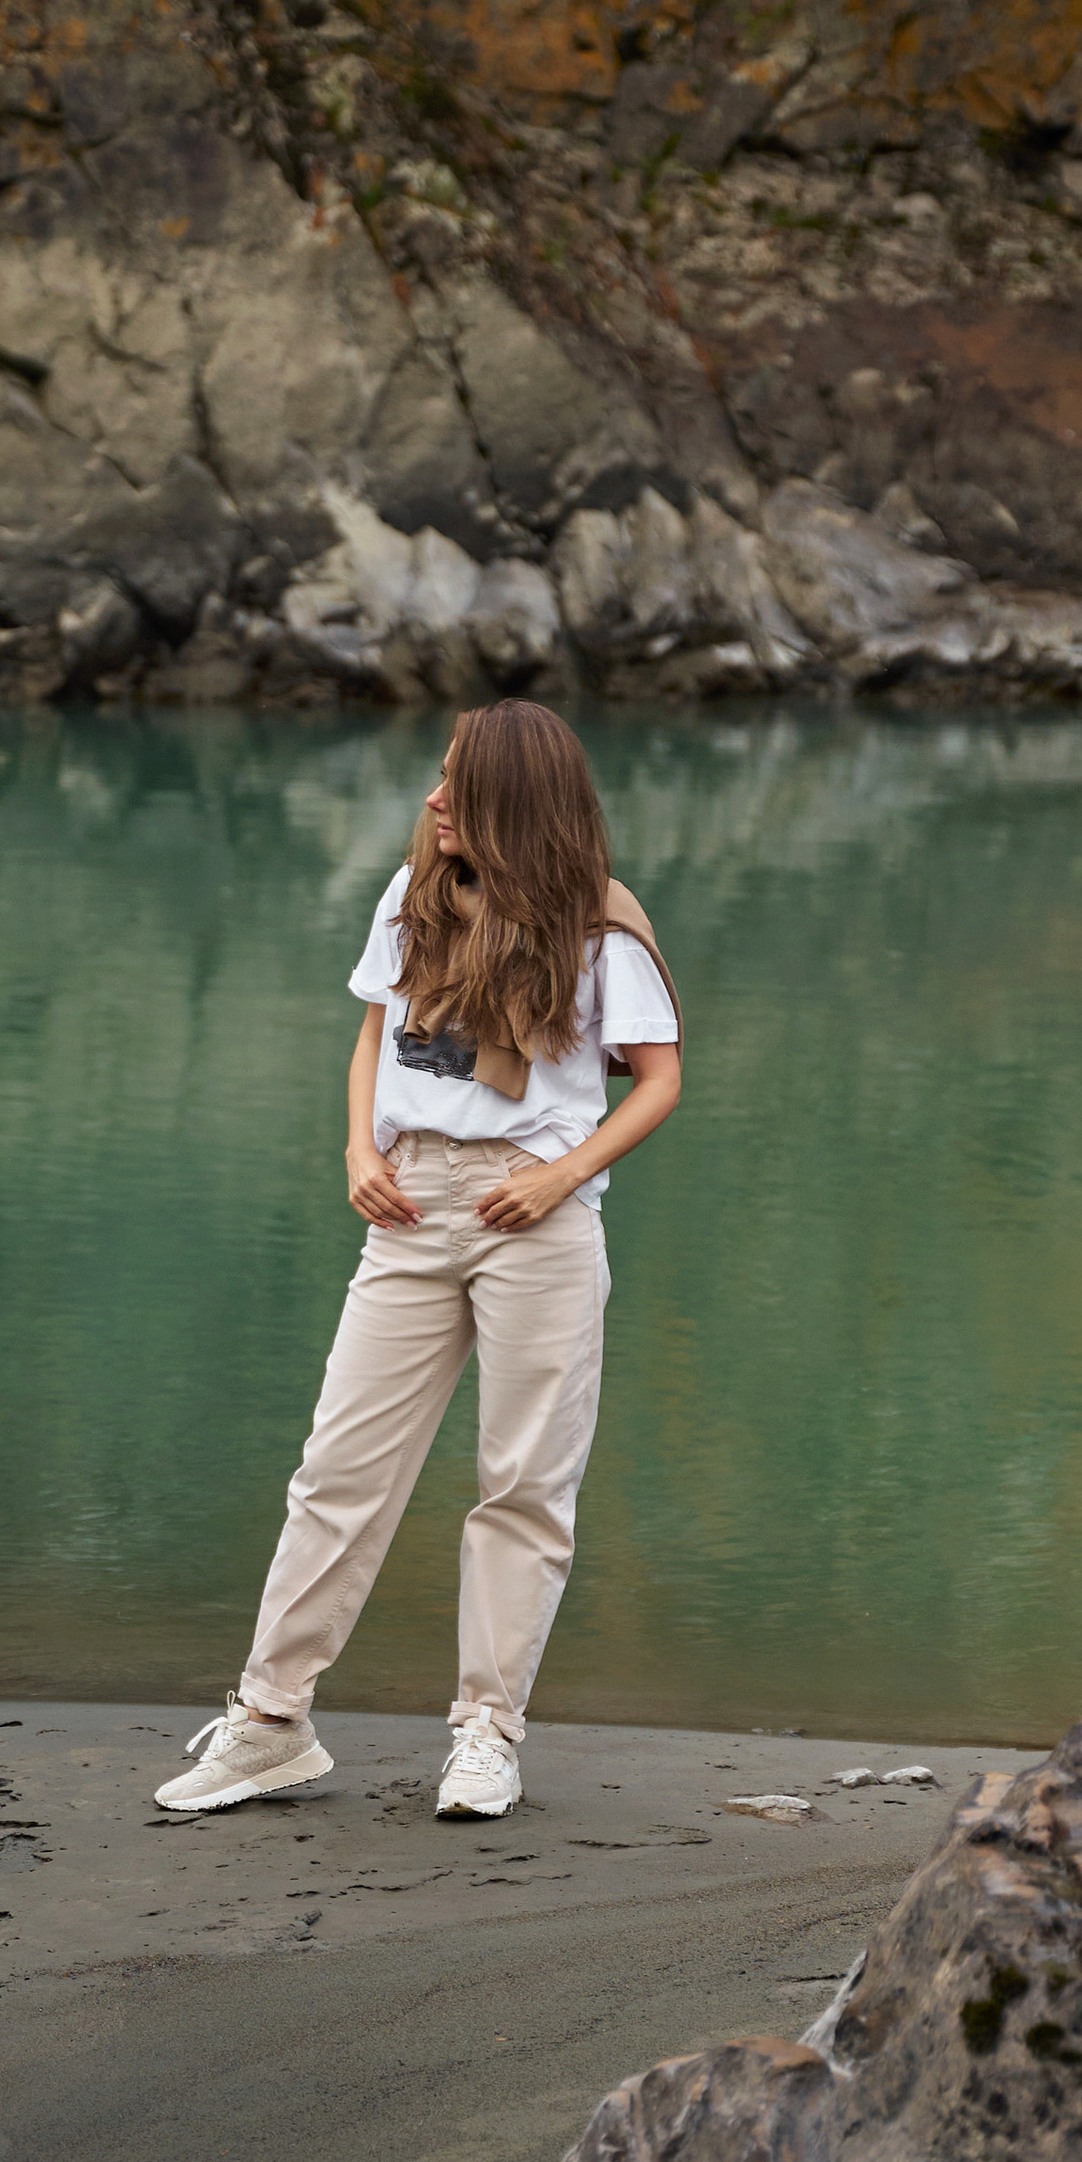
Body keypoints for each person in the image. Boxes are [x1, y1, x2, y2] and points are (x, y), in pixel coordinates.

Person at [158, 699, 682, 1827]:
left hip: (531, 1217)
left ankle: (486, 1733)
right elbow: (370, 1034)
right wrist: (356, 1147)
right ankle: (270, 1722)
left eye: (457, 784)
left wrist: (557, 1177)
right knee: (339, 1470)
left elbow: (659, 1079)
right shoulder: (412, 898)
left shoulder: (599, 925)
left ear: (516, 801)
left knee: (522, 1485)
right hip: (406, 1208)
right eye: (438, 779)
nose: (435, 799)